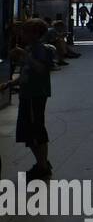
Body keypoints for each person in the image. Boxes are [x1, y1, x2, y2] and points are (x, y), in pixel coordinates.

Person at [15, 19, 55, 178]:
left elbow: (41, 70)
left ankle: (42, 165)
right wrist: (11, 83)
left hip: (35, 94)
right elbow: (27, 72)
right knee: (29, 130)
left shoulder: (41, 49)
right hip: (27, 93)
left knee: (36, 129)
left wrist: (25, 55)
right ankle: (42, 162)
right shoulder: (30, 48)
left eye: (25, 31)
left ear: (35, 33)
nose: (22, 35)